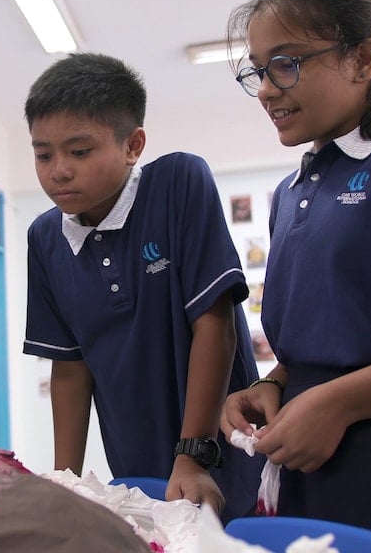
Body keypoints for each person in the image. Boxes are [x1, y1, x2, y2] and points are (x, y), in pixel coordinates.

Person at [22, 52, 264, 522]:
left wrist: (193, 455)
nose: (59, 170)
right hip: (136, 476)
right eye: (43, 153)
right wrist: (65, 485)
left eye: (79, 151)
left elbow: (215, 326)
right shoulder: (45, 239)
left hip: (222, 461)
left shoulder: (177, 183)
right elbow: (70, 370)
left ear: (133, 146)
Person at [220, 0, 371, 531]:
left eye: (287, 64)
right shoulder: (290, 194)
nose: (266, 89)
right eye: (259, 71)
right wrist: (273, 384)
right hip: (309, 459)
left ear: (362, 60)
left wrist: (339, 404)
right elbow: (328, 331)